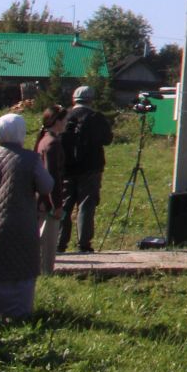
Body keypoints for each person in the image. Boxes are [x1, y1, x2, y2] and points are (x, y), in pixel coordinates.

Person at [0, 112, 54, 321]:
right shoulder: (30, 159)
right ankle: (19, 312)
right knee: (22, 266)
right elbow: (46, 185)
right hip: (22, 222)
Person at [57, 84, 113, 256]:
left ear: (74, 99)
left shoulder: (64, 116)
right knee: (86, 205)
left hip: (66, 169)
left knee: (65, 205)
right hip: (91, 168)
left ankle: (59, 244)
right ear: (90, 100)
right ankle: (84, 244)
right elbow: (107, 139)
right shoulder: (96, 117)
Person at [33, 106, 66, 277]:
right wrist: (57, 204)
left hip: (40, 199)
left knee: (38, 240)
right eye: (64, 120)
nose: (66, 123)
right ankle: (46, 274)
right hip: (48, 202)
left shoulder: (43, 139)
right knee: (48, 243)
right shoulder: (52, 143)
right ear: (57, 121)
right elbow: (53, 176)